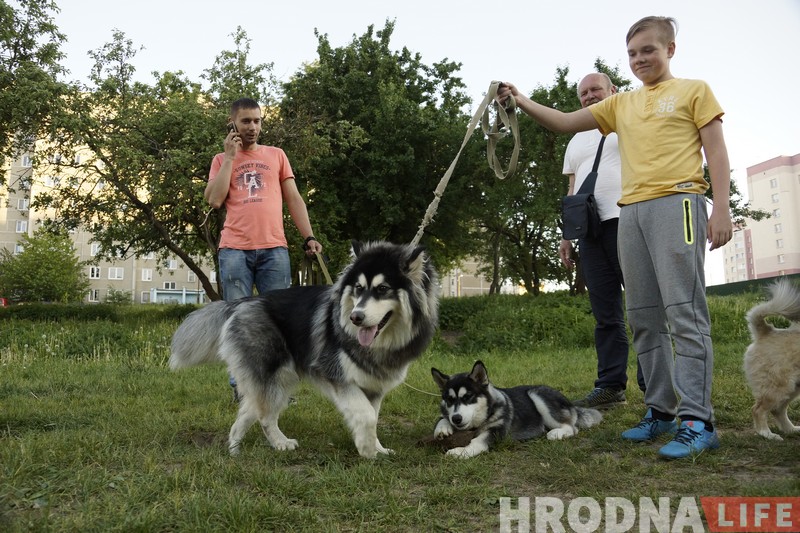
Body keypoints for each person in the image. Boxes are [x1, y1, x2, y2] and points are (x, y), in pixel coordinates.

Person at [499, 15, 733, 459]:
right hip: (631, 212)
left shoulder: (694, 91)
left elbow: (717, 150)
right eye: (632, 53)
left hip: (679, 203)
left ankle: (698, 421)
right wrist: (520, 99)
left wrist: (721, 207)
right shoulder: (622, 104)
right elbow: (564, 121)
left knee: (684, 315)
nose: (640, 59)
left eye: (649, 50)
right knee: (643, 318)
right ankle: (660, 412)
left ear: (670, 50)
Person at [206, 97, 322, 401]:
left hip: (274, 250)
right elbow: (214, 200)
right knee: (239, 322)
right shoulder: (220, 160)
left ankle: (279, 387)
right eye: (246, 121)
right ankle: (242, 389)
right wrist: (229, 158)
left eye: (257, 121)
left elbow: (294, 199)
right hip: (234, 250)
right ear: (232, 123)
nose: (252, 127)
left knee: (280, 321)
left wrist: (309, 237)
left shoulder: (277, 155)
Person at [560, 72, 644, 409]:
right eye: (583, 93)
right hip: (590, 232)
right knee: (605, 314)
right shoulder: (575, 138)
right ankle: (610, 386)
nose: (589, 96)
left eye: (595, 89)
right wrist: (567, 235)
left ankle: (653, 386)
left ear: (613, 90)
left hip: (628, 221)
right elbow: (572, 189)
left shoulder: (628, 119)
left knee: (642, 309)